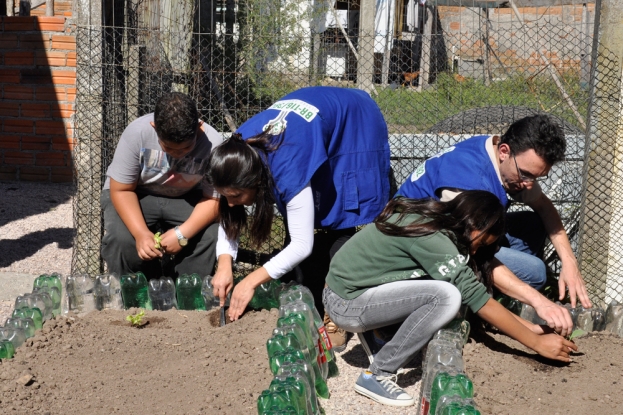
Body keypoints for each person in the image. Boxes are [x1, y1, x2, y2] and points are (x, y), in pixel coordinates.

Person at [323, 191, 578, 407]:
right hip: (346, 304)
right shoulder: (433, 237)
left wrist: (531, 327)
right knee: (446, 297)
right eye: (481, 242)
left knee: (441, 286)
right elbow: (476, 298)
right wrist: (536, 343)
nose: (476, 251)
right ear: (474, 222)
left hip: (352, 293)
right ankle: (378, 375)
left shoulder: (436, 221)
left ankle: (377, 332)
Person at [206, 86, 391, 344]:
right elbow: (230, 215)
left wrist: (250, 281)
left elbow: (302, 245)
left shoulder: (287, 166)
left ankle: (337, 312)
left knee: (342, 209)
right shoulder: (236, 152)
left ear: (257, 181)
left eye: (236, 196)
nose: (231, 203)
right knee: (299, 249)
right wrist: (225, 262)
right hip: (310, 122)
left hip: (352, 121)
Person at [395, 114, 591, 332]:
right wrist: (537, 301)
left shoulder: (496, 153)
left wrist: (569, 262)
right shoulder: (469, 184)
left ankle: (495, 294)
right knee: (535, 273)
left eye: (536, 178)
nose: (528, 185)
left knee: (532, 223)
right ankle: (483, 309)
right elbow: (468, 254)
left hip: (461, 233)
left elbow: (544, 207)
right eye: (525, 175)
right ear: (505, 152)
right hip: (416, 249)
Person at [101, 92, 223, 278]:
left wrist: (182, 234)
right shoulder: (137, 132)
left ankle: (186, 289)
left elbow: (213, 199)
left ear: (199, 127)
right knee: (121, 238)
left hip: (186, 197)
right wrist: (141, 233)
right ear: (154, 127)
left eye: (185, 148)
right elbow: (121, 189)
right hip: (136, 194)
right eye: (169, 148)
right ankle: (134, 288)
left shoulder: (213, 142)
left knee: (210, 235)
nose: (177, 155)